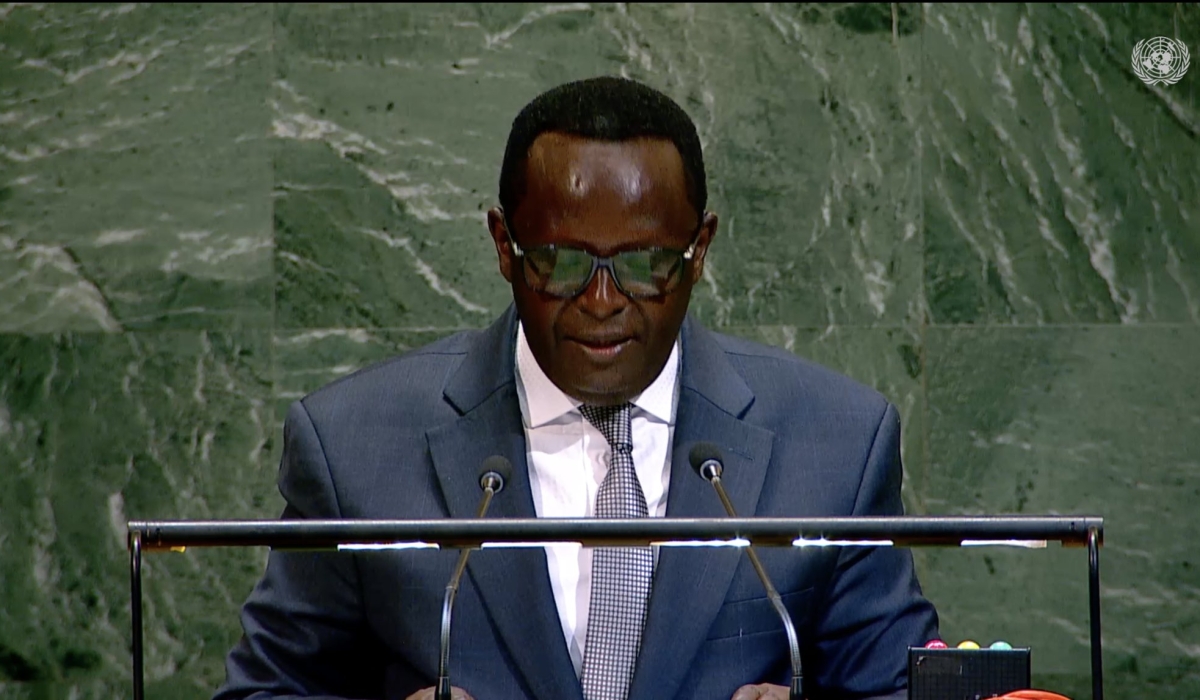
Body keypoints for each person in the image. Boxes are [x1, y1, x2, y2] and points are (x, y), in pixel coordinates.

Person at [215, 76, 938, 700]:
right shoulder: (354, 447)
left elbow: (895, 687)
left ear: (700, 252)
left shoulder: (838, 444)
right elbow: (265, 690)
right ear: (504, 246)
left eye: (646, 264)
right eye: (561, 264)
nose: (601, 299)